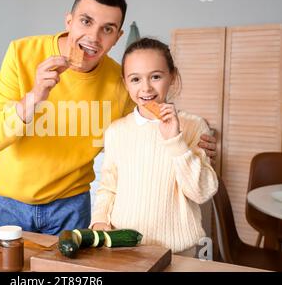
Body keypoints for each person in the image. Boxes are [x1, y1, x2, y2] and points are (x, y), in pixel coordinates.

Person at [0, 0, 217, 235]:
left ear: (117, 36)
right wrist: (34, 96)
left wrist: (193, 144)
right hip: (10, 205)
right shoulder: (21, 53)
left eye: (107, 29)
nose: (93, 37)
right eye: (85, 21)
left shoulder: (121, 80)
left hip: (71, 208)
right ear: (69, 21)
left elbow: (145, 130)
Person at [90, 38, 218, 256]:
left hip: (177, 252)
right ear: (125, 82)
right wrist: (99, 221)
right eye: (135, 79)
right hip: (124, 248)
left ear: (172, 77)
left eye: (156, 77)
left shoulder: (194, 126)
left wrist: (175, 140)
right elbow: (108, 186)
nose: (146, 88)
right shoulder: (116, 131)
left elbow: (200, 192)